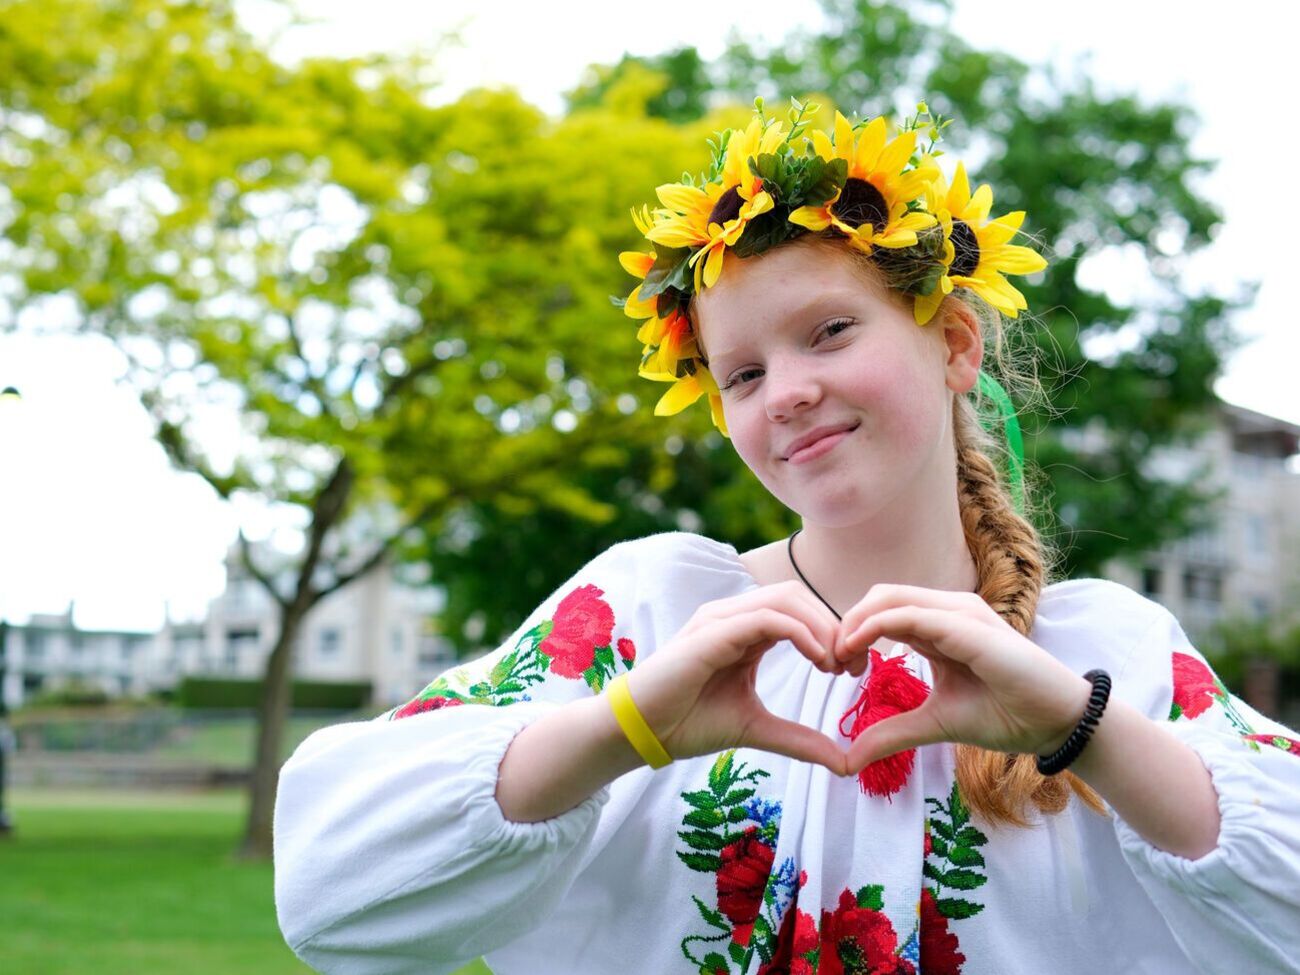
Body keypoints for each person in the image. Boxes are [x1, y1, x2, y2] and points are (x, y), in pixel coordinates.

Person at [272, 100, 1300, 975]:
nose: (790, 392)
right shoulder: (648, 616)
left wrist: (1085, 733)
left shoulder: (1103, 660)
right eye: (744, 374)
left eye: (829, 331)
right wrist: (623, 729)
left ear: (950, 342)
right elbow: (330, 898)